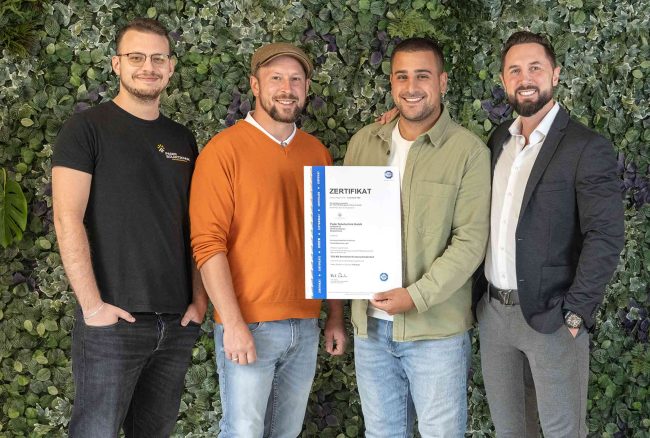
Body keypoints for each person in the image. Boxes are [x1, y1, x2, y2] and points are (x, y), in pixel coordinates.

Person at [52, 18, 207, 437]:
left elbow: (196, 224)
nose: (148, 67)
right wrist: (92, 307)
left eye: (158, 58)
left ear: (171, 67)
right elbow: (67, 217)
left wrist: (198, 301)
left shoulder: (182, 139)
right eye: (136, 57)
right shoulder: (86, 129)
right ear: (117, 64)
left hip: (175, 323)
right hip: (112, 321)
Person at [190, 42, 347, 437]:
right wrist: (233, 323)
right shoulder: (223, 151)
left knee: (286, 433)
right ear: (255, 85)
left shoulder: (317, 153)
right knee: (243, 432)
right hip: (250, 324)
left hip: (306, 324)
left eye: (295, 79)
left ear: (306, 88)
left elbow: (331, 240)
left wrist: (334, 315)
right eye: (276, 78)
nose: (286, 88)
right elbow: (208, 245)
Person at [473, 31, 624, 437]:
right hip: (494, 315)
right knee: (511, 431)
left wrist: (575, 314)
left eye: (535, 68)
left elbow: (606, 235)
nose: (525, 78)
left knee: (563, 432)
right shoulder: (498, 140)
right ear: (504, 80)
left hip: (553, 318)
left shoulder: (586, 147)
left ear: (555, 74)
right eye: (515, 70)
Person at [344, 37, 491, 437]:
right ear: (391, 83)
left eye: (422, 76)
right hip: (371, 331)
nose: (411, 87)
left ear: (442, 82)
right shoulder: (364, 143)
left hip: (436, 332)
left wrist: (416, 296)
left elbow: (470, 242)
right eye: (402, 76)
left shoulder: (468, 152)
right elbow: (346, 224)